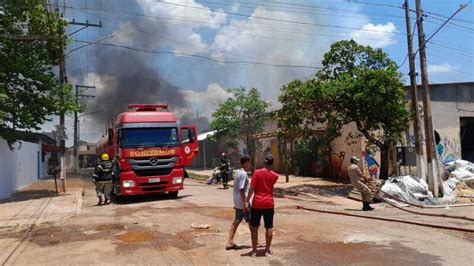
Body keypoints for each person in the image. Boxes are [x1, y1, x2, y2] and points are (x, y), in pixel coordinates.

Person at [246, 154, 279, 257]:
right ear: (272, 163)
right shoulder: (275, 176)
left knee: (254, 227)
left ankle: (254, 251)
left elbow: (252, 188)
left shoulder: (257, 173)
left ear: (264, 162)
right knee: (269, 227)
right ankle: (267, 250)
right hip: (269, 203)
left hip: (257, 203)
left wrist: (247, 200)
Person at [226, 155, 252, 250]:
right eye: (249, 162)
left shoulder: (237, 172)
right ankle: (256, 242)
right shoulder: (243, 174)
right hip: (242, 202)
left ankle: (230, 241)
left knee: (237, 221)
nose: (250, 164)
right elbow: (241, 189)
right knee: (251, 222)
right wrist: (246, 203)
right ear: (246, 163)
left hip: (237, 201)